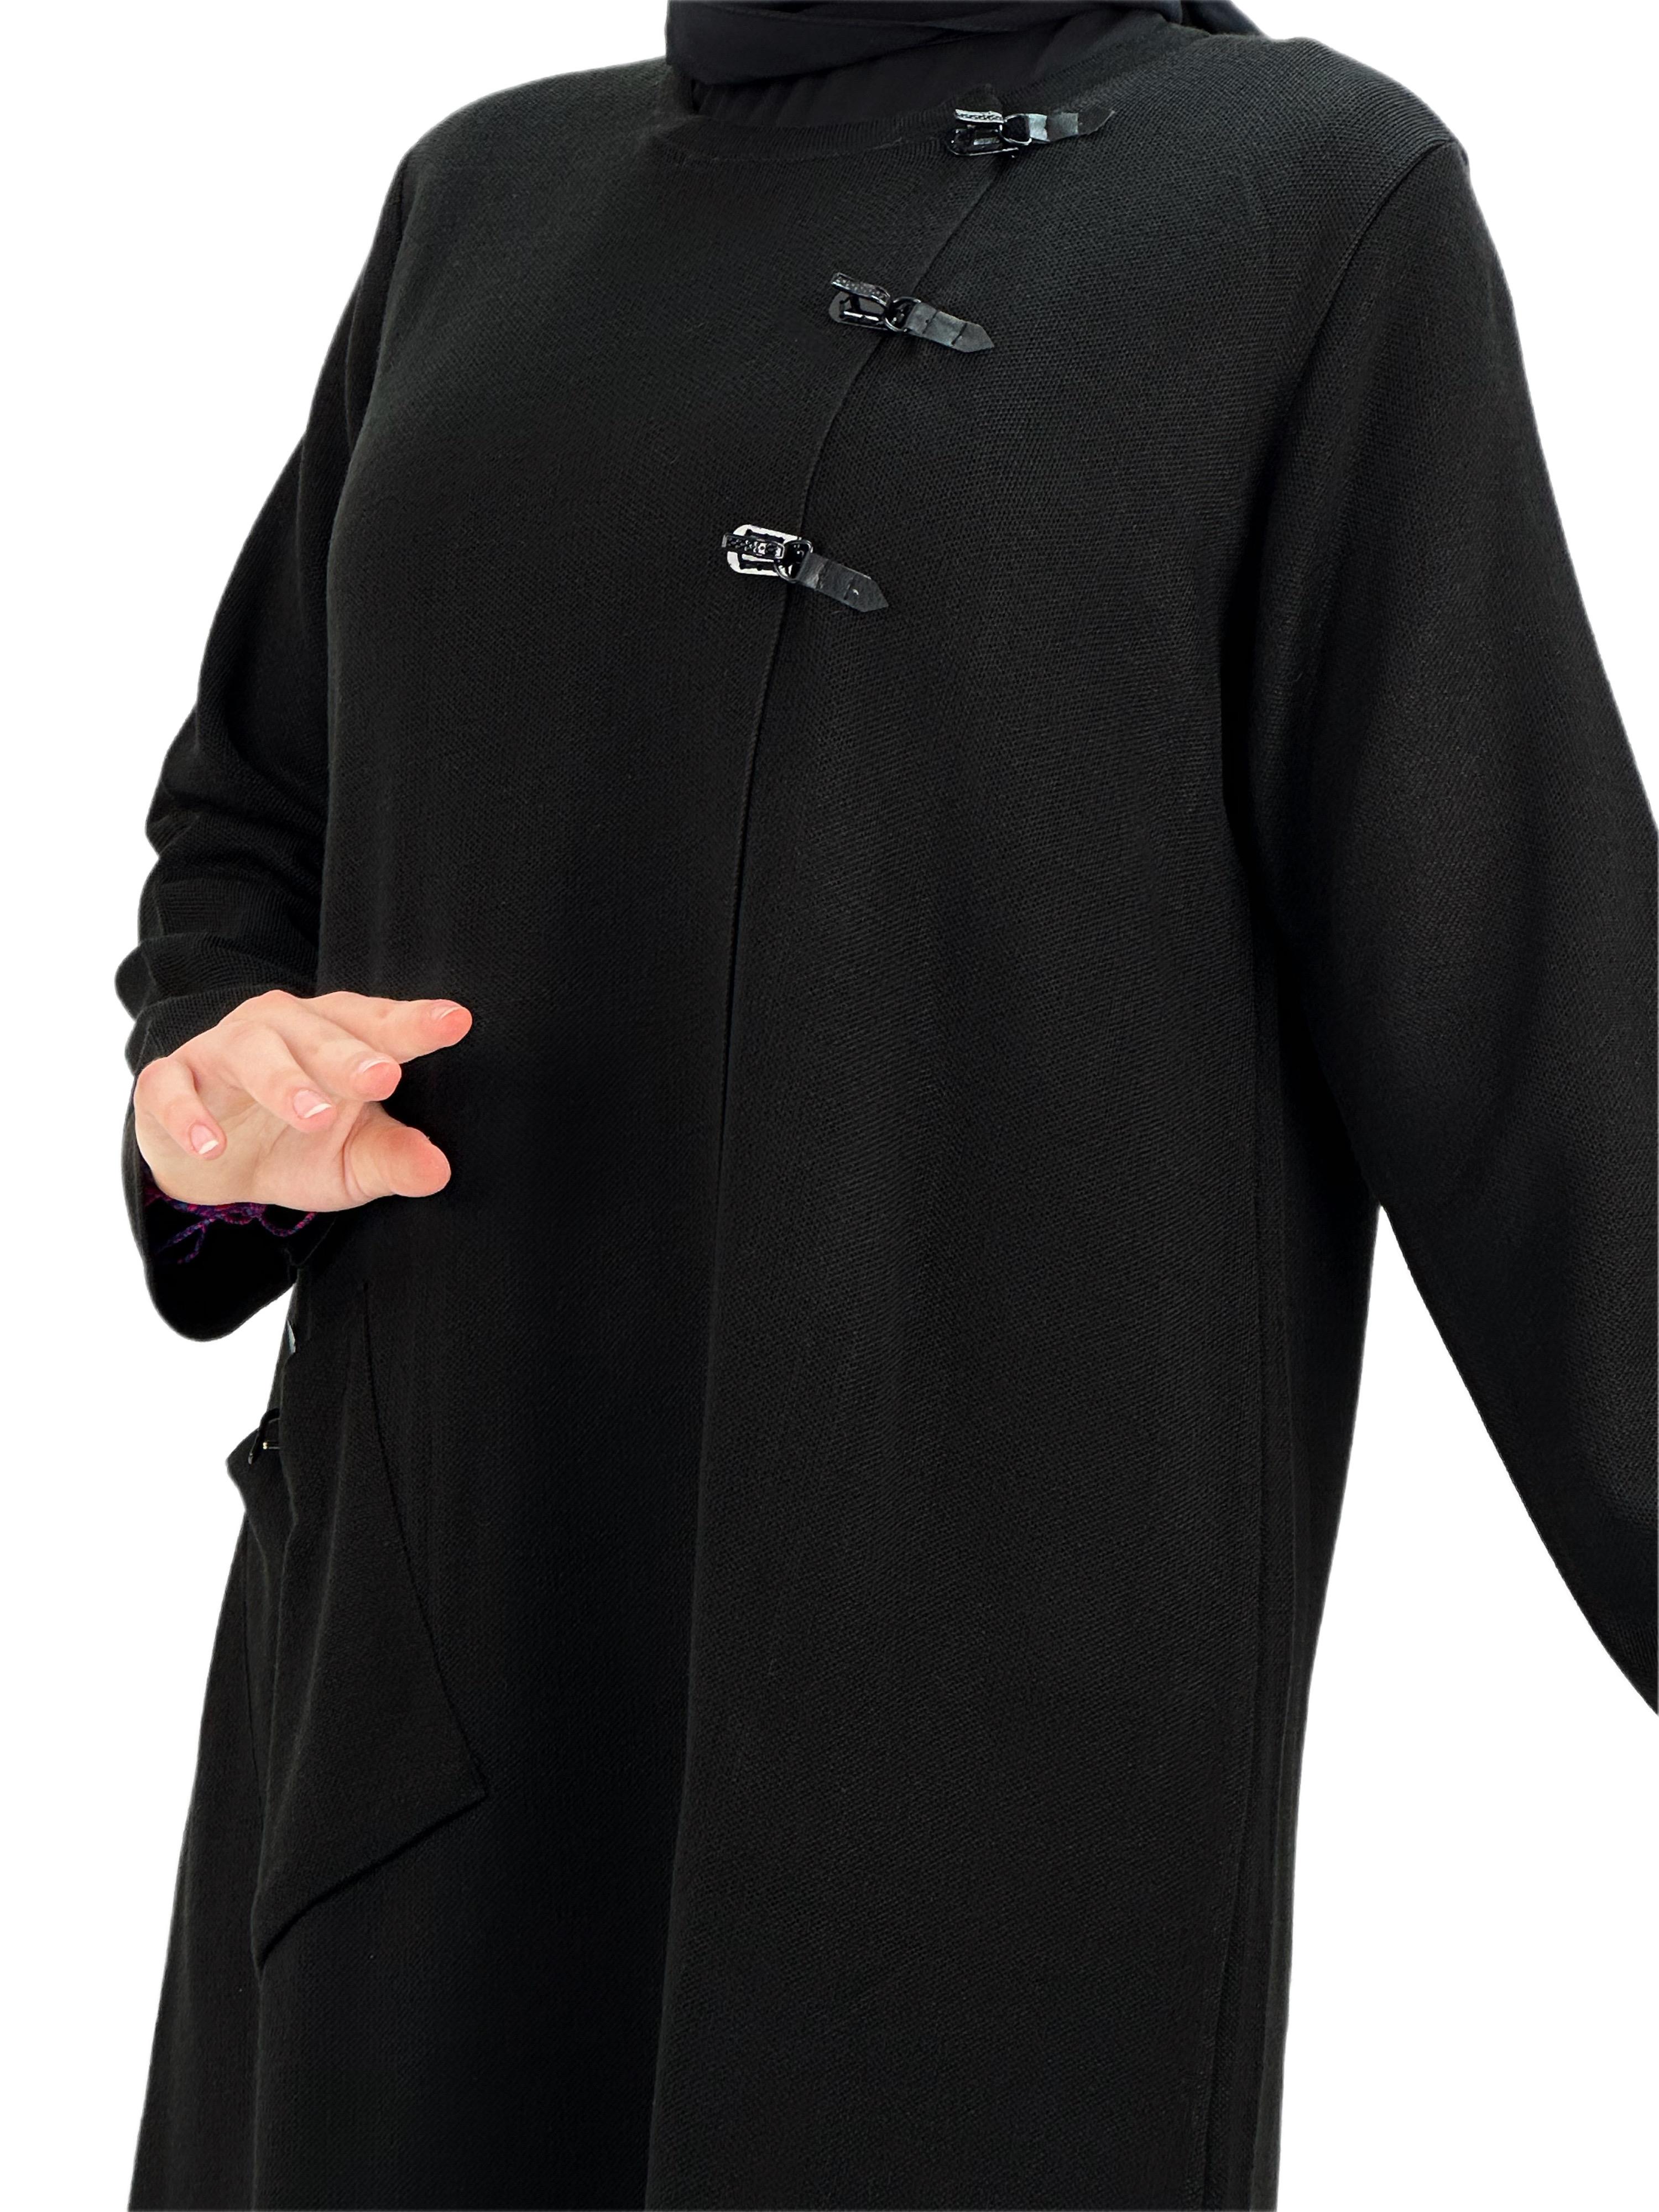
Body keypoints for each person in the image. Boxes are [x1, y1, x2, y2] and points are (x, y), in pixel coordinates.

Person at [115, 5, 1657, 2208]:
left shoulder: (1299, 202)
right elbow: (255, 810)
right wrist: (216, 1106)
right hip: (417, 1696)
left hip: (962, 1755)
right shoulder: (480, 194)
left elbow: (1537, 1034)